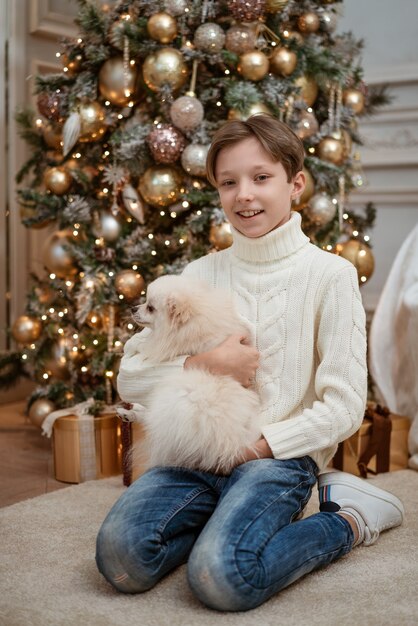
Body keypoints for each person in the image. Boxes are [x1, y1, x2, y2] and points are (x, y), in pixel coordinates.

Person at [95, 115, 404, 611]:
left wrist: (257, 448)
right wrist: (206, 364)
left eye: (261, 178)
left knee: (222, 577)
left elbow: (344, 407)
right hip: (198, 453)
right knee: (121, 559)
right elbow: (130, 377)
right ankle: (223, 518)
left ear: (295, 183)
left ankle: (348, 519)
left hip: (276, 457)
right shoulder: (200, 273)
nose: (244, 195)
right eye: (228, 182)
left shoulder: (330, 276)